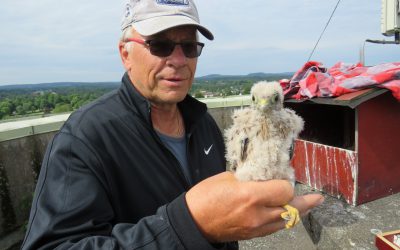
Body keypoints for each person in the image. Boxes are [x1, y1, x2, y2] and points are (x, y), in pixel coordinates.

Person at [21, 0, 324, 249]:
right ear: (125, 54)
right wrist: (186, 226)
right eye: (161, 45)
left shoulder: (203, 123)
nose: (179, 59)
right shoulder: (86, 137)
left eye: (189, 46)